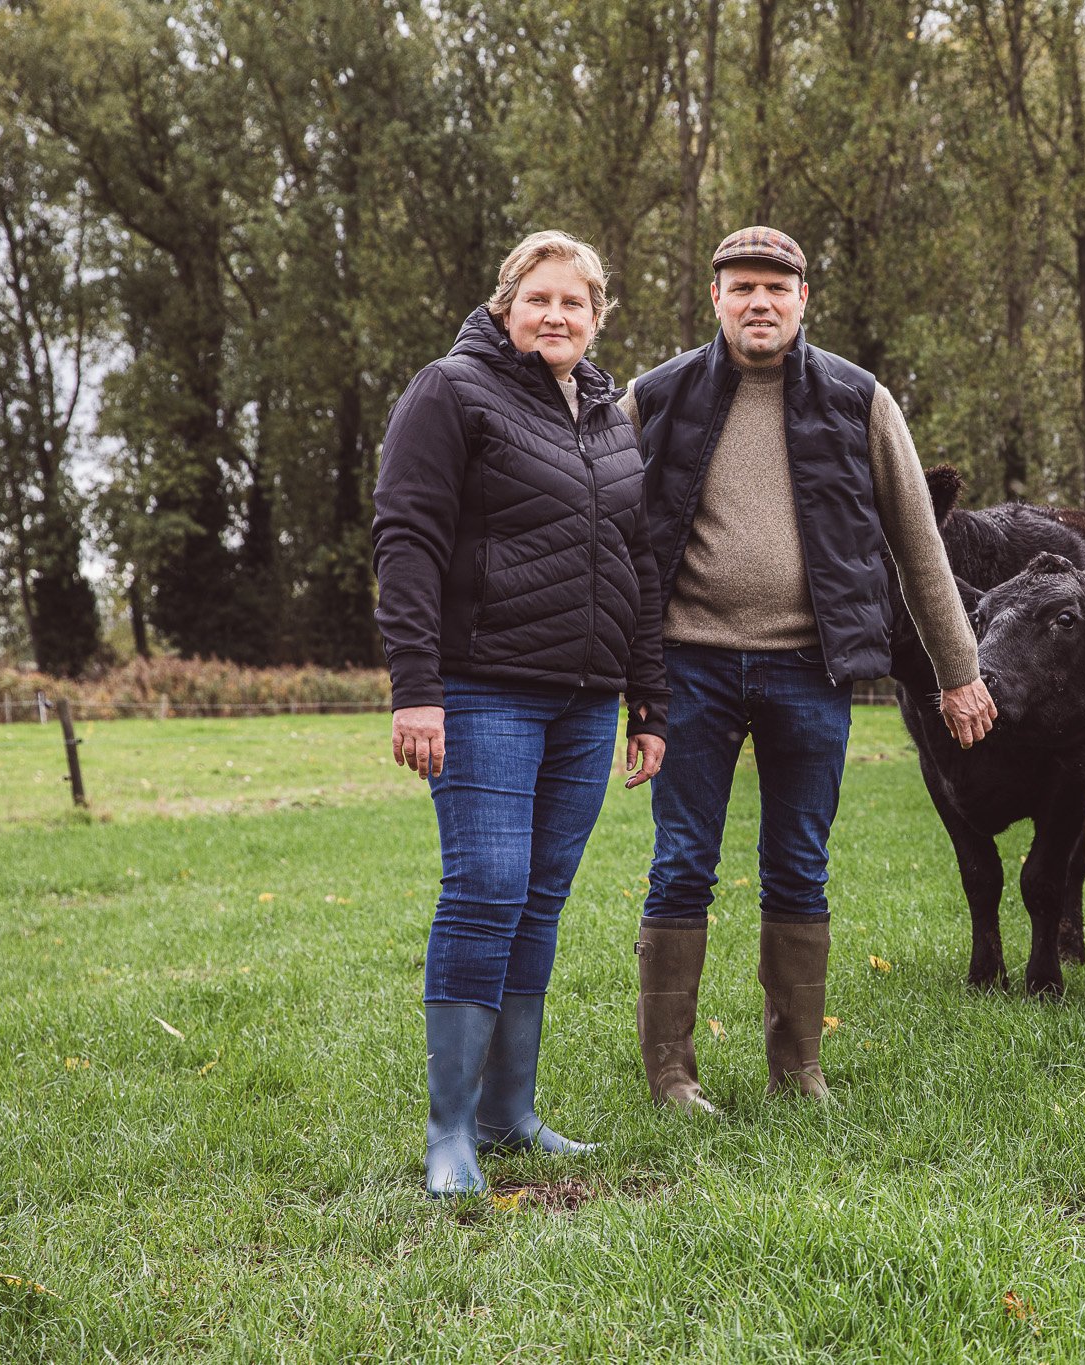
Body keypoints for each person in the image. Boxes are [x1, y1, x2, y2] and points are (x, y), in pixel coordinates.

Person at [625, 226, 994, 1108]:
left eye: (776, 289)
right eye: (742, 286)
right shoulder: (655, 397)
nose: (760, 302)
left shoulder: (859, 400)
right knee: (683, 863)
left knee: (800, 862)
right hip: (690, 667)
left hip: (812, 669)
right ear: (714, 297)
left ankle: (799, 1070)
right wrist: (615, 675)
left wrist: (959, 668)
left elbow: (918, 546)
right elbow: (605, 535)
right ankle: (671, 1072)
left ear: (802, 301)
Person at [372, 230, 670, 1196]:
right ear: (506, 306)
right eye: (538, 298)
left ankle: (511, 1114)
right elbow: (406, 538)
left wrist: (648, 700)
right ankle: (449, 1131)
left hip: (584, 703)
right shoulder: (451, 391)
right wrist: (416, 688)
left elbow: (637, 564)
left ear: (596, 317)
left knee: (539, 898)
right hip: (481, 686)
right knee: (487, 887)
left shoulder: (607, 417)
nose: (557, 316)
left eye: (575, 304)